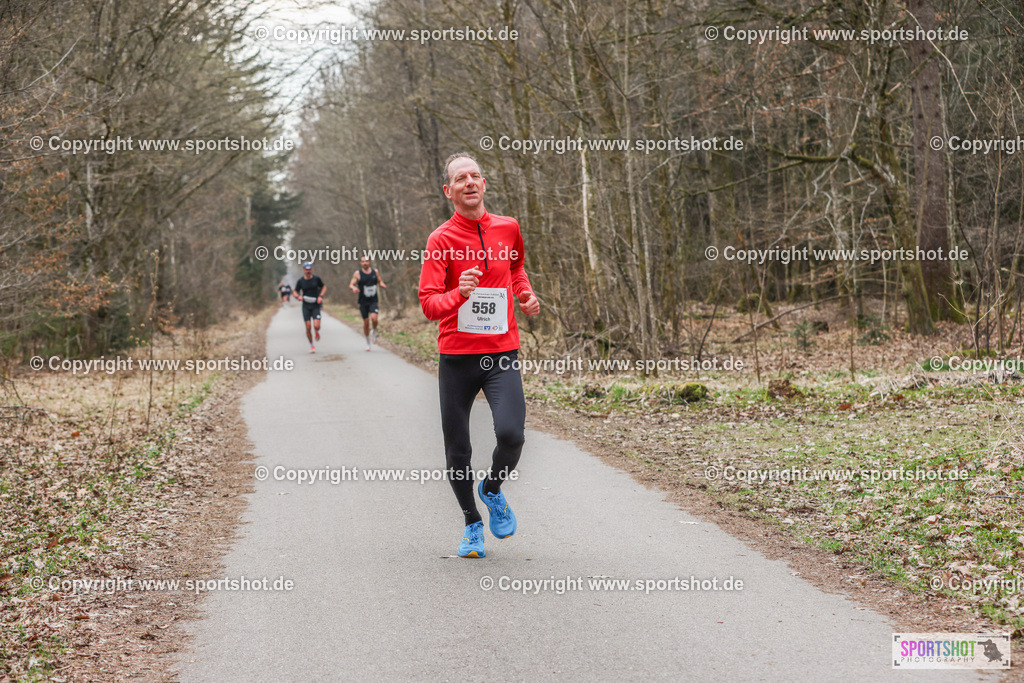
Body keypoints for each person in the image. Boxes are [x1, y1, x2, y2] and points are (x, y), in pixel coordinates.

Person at [418, 153, 540, 558]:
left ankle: (492, 489)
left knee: (511, 434)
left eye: (475, 176)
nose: (469, 182)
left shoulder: (509, 228)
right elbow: (429, 304)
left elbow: (517, 268)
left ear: (484, 184)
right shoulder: (441, 240)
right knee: (458, 450)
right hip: (457, 356)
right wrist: (460, 293)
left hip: (502, 351)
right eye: (460, 178)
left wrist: (524, 293)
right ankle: (472, 523)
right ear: (448, 191)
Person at [349, 256, 386, 351]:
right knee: (366, 323)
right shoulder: (358, 273)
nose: (365, 263)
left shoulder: (375, 271)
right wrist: (353, 288)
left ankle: (374, 330)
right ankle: (367, 342)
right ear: (360, 263)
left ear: (369, 262)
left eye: (366, 261)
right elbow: (351, 284)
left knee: (374, 318)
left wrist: (381, 283)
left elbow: (379, 280)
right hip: (363, 301)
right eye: (363, 261)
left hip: (373, 300)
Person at [293, 261, 326, 353]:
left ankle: (316, 332)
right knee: (308, 326)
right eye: (306, 269)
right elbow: (295, 291)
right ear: (303, 270)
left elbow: (323, 287)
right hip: (306, 306)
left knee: (317, 326)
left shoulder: (316, 279)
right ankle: (312, 345)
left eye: (309, 269)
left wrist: (321, 296)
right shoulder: (301, 281)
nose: (308, 271)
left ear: (312, 269)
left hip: (315, 305)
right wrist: (297, 296)